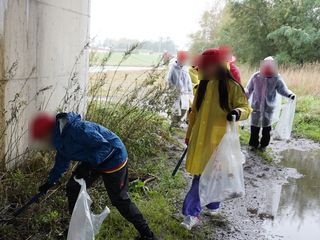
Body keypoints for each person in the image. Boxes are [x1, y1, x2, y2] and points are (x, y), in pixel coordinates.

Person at [30, 112, 157, 240]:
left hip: (114, 157)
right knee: (74, 187)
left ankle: (148, 235)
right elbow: (61, 162)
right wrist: (50, 182)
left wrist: (87, 166)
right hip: (95, 160)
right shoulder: (60, 139)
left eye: (42, 137)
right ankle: (77, 228)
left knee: (120, 200)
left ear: (48, 131)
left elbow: (104, 147)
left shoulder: (77, 129)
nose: (43, 142)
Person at [182, 48, 252, 230]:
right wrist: (189, 136)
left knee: (209, 176)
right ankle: (208, 207)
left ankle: (192, 213)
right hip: (200, 140)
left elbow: (246, 108)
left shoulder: (231, 86)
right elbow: (194, 114)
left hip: (219, 144)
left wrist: (237, 112)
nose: (202, 70)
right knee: (202, 175)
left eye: (205, 67)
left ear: (216, 66)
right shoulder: (202, 86)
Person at [246, 56, 295, 151]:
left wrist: (290, 94)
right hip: (256, 106)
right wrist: (244, 96)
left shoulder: (276, 78)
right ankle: (253, 144)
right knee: (254, 127)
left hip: (269, 107)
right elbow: (249, 89)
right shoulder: (256, 76)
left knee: (266, 128)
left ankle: (264, 145)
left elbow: (282, 89)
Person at [167, 50, 193, 127]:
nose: (183, 61)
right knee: (176, 108)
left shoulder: (185, 68)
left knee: (184, 108)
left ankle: (179, 121)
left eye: (184, 59)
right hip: (176, 92)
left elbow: (188, 80)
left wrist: (189, 91)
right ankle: (174, 123)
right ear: (178, 59)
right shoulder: (173, 68)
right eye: (181, 59)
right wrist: (173, 89)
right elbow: (169, 79)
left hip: (184, 92)